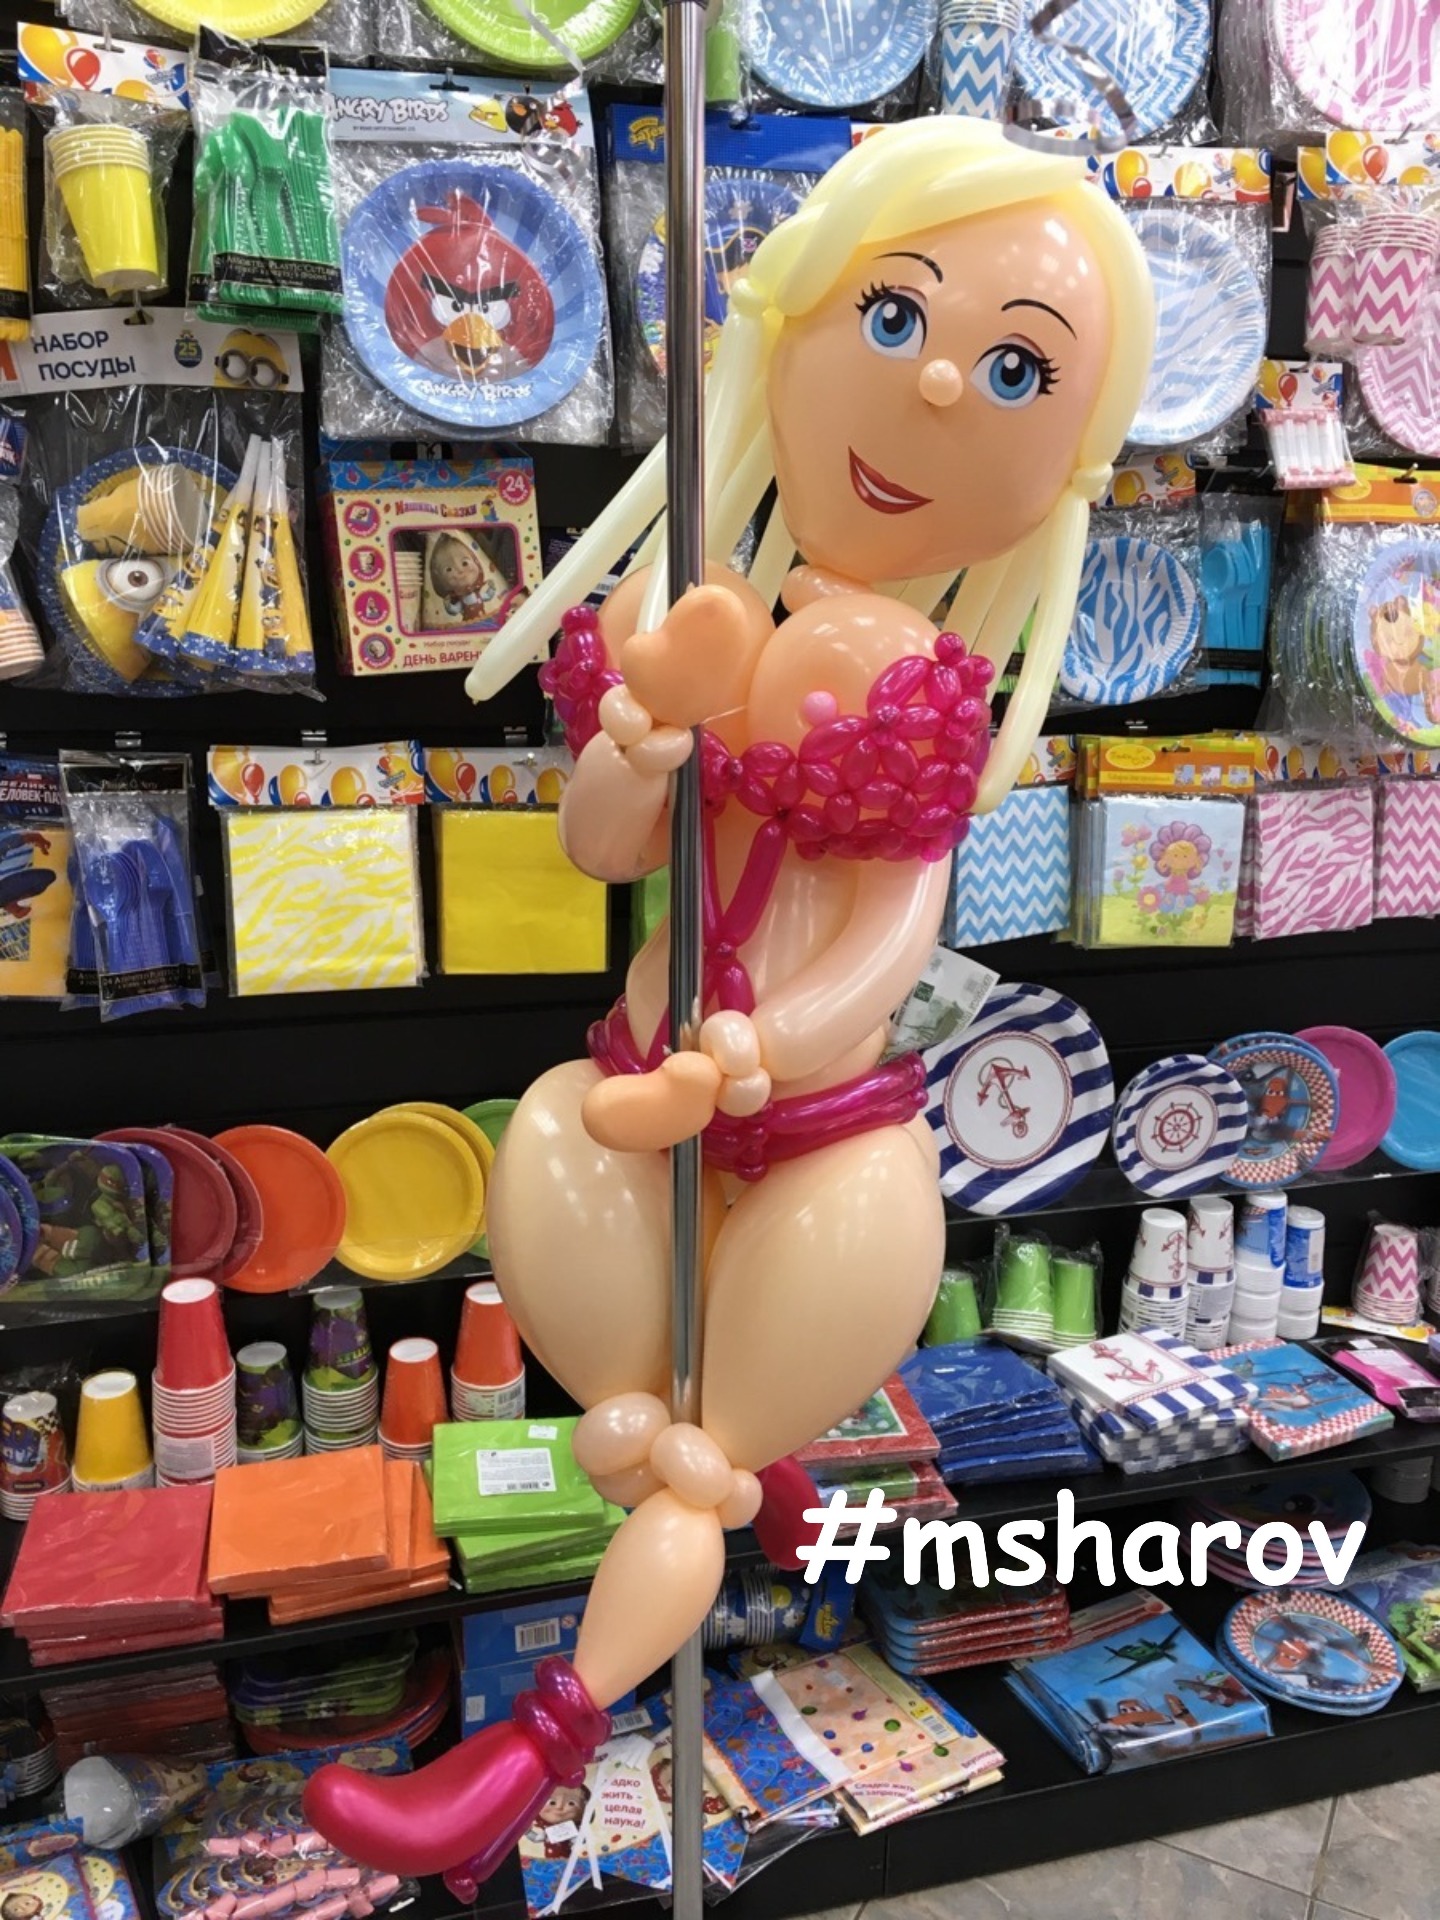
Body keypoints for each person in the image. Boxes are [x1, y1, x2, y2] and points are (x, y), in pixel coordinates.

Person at [304, 115, 1153, 1890]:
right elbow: (604, 845)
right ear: (797, 323)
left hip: (827, 1139)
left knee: (689, 1456)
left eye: (1014, 368)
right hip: (635, 1099)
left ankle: (526, 1756)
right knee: (578, 1222)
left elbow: (890, 936)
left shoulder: (918, 703)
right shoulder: (707, 623)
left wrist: (770, 1047)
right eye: (893, 319)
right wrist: (644, 732)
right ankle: (712, 1473)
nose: (936, 390)